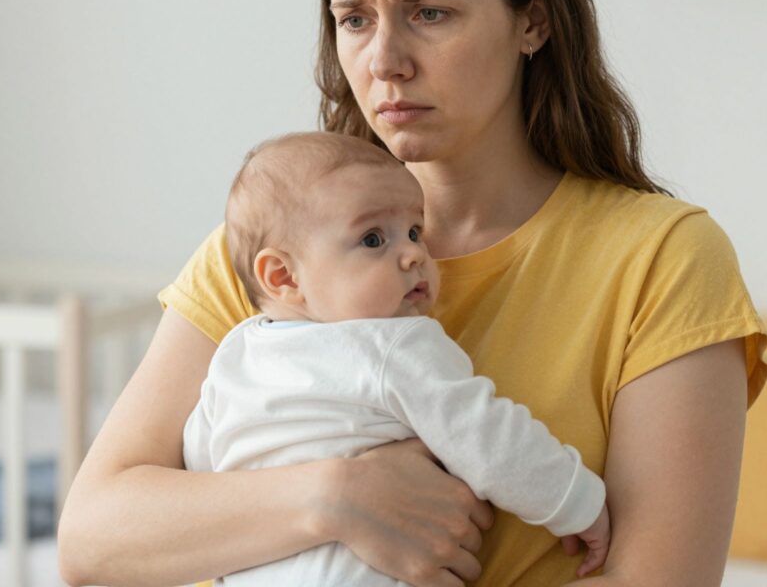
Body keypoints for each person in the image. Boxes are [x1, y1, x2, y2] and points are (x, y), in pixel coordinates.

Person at [58, 0, 767, 587]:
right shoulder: (279, 256)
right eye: (355, 19)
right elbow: (92, 542)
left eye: (428, 13)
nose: (383, 60)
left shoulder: (663, 260)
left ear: (533, 21)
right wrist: (335, 497)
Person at [183, 131, 611, 585]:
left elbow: (200, 462)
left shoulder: (235, 355)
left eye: (414, 231)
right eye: (372, 240)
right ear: (284, 275)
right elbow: (486, 437)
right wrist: (576, 503)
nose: (412, 254)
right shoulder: (392, 343)